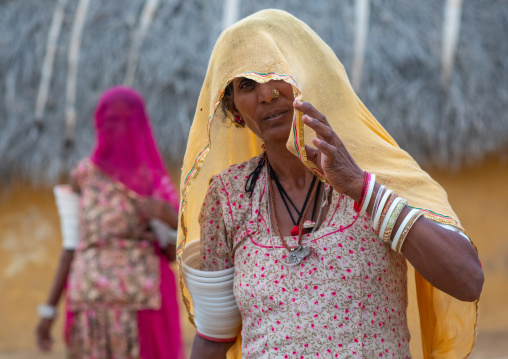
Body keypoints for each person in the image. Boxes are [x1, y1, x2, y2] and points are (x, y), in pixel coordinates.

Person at [178, 9, 484, 359]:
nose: (266, 95)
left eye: (276, 73)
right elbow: (215, 336)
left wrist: (359, 187)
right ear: (234, 109)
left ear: (310, 75)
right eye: (247, 84)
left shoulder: (377, 173)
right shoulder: (229, 196)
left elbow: (467, 280)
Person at [35, 86, 185, 359]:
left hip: (142, 307)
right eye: (110, 120)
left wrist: (172, 220)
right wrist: (48, 311)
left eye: (125, 120)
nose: (116, 127)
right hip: (89, 308)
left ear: (139, 125)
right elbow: (71, 246)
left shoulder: (151, 179)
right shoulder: (83, 176)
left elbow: (175, 253)